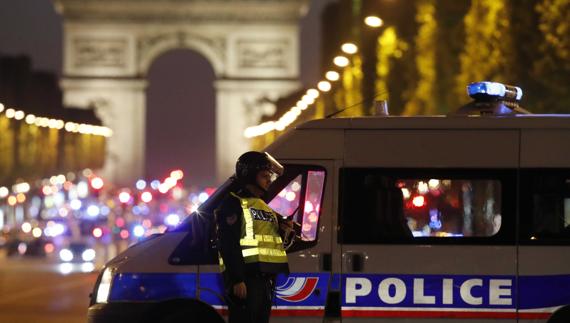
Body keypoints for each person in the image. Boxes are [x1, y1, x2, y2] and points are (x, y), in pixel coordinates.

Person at [215, 151, 293, 323]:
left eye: (269, 175)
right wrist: (237, 279)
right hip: (246, 279)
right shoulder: (233, 203)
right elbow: (228, 243)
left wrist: (283, 230)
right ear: (249, 176)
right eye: (264, 176)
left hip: (264, 279)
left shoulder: (263, 206)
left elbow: (267, 240)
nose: (269, 180)